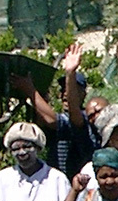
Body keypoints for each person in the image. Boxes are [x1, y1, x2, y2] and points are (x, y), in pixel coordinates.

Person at [12, 42, 95, 179]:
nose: (65, 94)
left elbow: (53, 120)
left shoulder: (84, 120)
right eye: (63, 90)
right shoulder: (58, 118)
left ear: (84, 94)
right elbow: (44, 124)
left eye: (72, 90)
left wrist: (30, 90)